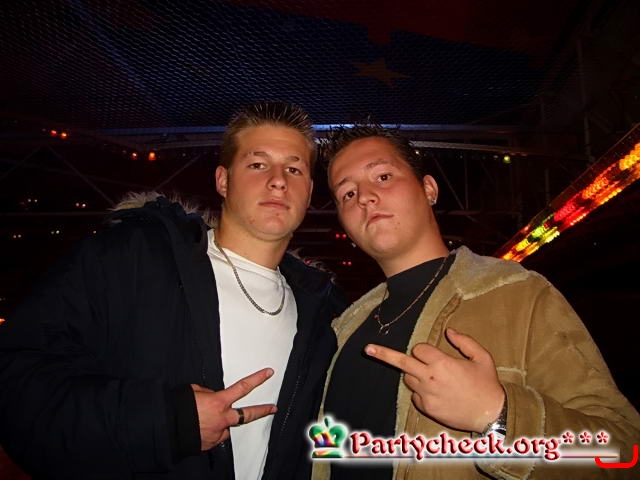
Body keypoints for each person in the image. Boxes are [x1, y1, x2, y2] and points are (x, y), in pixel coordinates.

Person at [0, 101, 348, 480]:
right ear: (223, 180)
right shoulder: (132, 258)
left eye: (294, 169)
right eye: (257, 164)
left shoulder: (326, 313)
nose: (278, 180)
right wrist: (167, 422)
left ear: (309, 191)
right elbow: (16, 384)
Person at [312, 123, 640, 479]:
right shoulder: (342, 329)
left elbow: (623, 451)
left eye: (383, 176)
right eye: (347, 193)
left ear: (429, 189)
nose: (364, 197)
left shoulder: (517, 293)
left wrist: (497, 414)